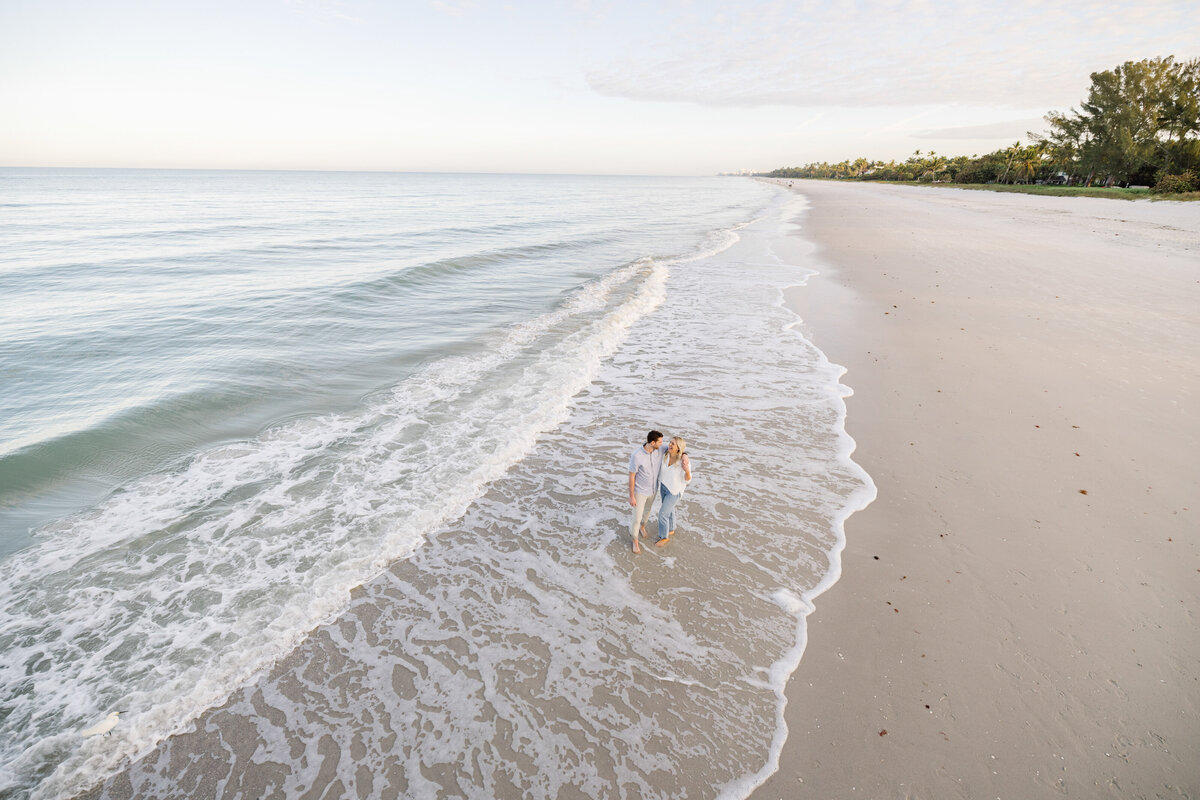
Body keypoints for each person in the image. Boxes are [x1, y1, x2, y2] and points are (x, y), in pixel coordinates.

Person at [628, 429, 664, 554]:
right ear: (653, 442)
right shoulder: (636, 456)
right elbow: (632, 476)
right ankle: (635, 540)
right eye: (660, 442)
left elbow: (675, 448)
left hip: (653, 490)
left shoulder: (659, 449)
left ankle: (642, 527)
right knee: (637, 518)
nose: (662, 444)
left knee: (646, 514)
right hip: (640, 492)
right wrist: (631, 496)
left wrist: (685, 455)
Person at [655, 436, 692, 547]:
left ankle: (664, 537)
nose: (670, 445)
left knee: (662, 514)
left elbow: (688, 480)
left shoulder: (683, 462)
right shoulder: (666, 455)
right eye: (670, 442)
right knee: (669, 510)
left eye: (673, 444)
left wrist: (687, 471)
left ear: (679, 448)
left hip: (674, 492)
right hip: (664, 487)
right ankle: (671, 529)